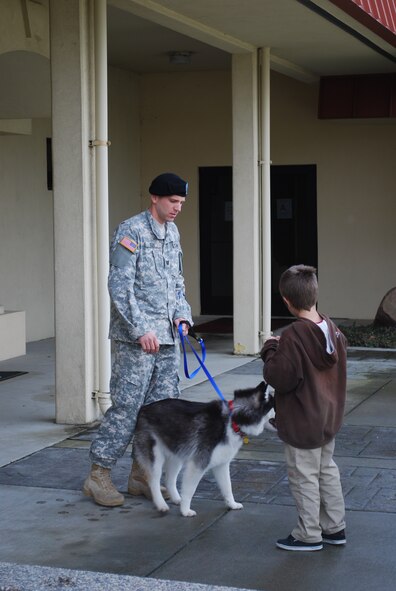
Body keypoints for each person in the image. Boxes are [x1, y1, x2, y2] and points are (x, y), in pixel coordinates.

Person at [83, 172, 192, 507]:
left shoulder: (172, 233)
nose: (177, 208)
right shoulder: (131, 231)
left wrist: (182, 315)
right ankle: (98, 475)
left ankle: (142, 476)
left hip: (168, 340)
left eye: (181, 203)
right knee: (128, 408)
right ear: (155, 198)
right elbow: (119, 286)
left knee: (161, 412)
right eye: (173, 201)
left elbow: (177, 283)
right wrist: (140, 329)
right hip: (138, 341)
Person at [260, 264, 347, 551]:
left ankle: (308, 533)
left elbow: (280, 378)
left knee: (304, 477)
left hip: (301, 422)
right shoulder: (333, 330)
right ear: (315, 294)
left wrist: (270, 349)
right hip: (327, 419)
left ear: (286, 300)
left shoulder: (293, 336)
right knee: (326, 471)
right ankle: (334, 527)